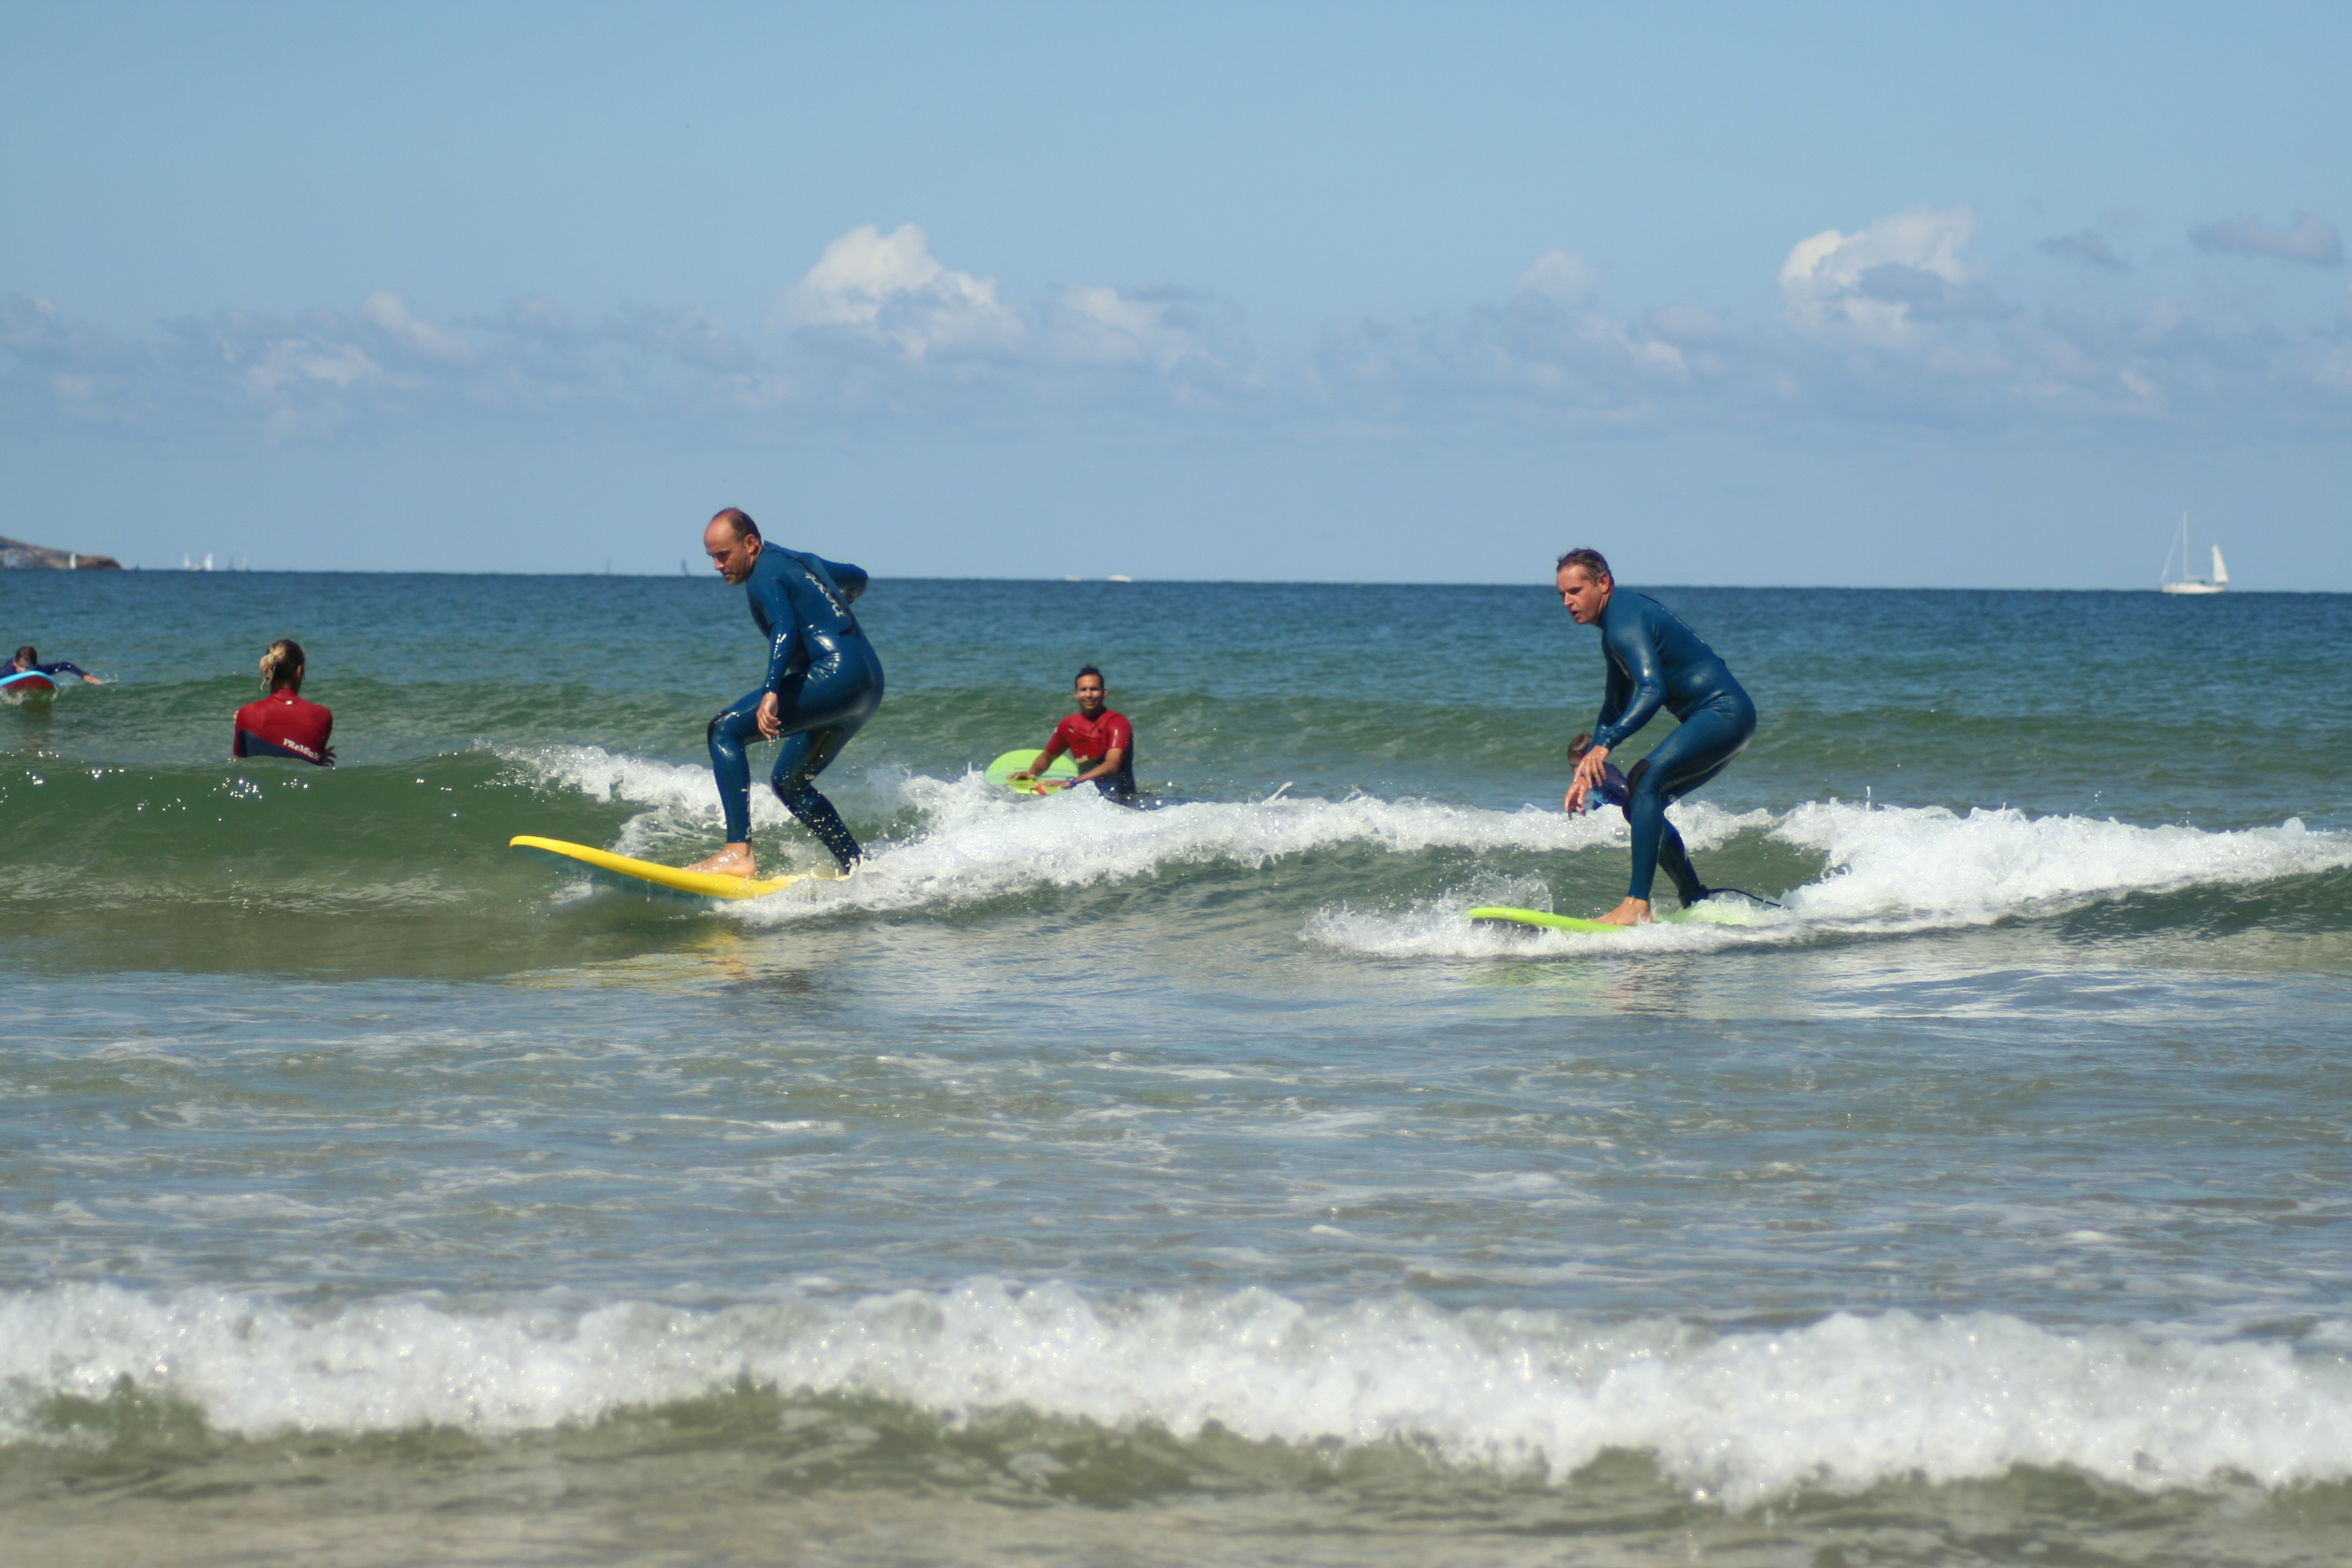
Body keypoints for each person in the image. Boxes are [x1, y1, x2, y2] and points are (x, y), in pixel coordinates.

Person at [1558, 548, 1754, 925]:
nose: (1568, 602)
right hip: (1728, 716)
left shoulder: (1624, 623)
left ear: (1603, 583)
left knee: (1644, 781)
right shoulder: (1616, 627)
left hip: (1723, 712)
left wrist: (1605, 745)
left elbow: (1652, 690)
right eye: (1563, 595)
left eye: (1576, 590)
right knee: (1640, 801)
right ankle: (1693, 896)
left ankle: (1636, 905)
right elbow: (1614, 706)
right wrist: (1586, 767)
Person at [688, 507, 883, 878]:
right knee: (789, 782)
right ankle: (859, 870)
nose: (717, 565)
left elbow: (784, 626)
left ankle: (737, 853)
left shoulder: (763, 574)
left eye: (723, 554)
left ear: (750, 544)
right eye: (711, 557)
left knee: (725, 730)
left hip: (833, 675)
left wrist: (771, 690)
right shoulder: (802, 561)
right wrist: (838, 605)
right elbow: (858, 577)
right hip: (867, 684)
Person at [1565, 730, 1710, 909]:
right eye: (1572, 766)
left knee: (1668, 856)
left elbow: (1633, 798)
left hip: (1642, 823)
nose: (1575, 771)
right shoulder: (1594, 777)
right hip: (1630, 821)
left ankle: (1693, 895)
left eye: (1578, 765)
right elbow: (1602, 803)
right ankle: (1693, 897)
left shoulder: (1606, 775)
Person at [1011, 665, 1137, 804]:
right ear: (1076, 694)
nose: (1088, 695)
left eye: (1094, 689)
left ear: (1104, 693)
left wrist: (1070, 783)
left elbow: (1112, 765)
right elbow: (1048, 756)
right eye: (1083, 690)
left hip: (1123, 802)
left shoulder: (1118, 723)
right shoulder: (1069, 725)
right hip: (1087, 802)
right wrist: (1032, 773)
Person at [232, 638, 334, 765]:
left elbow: (240, 764)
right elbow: (311, 764)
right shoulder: (322, 715)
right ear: (299, 672)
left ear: (268, 672)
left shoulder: (247, 713)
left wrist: (243, 724)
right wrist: (321, 759)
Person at [10, 646, 102, 685]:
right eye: (21, 666)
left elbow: (65, 665)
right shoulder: (6, 672)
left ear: (35, 665)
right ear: (15, 663)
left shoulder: (38, 670)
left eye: (29, 667)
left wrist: (84, 675)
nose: (25, 671)